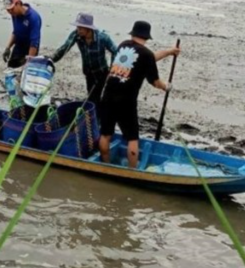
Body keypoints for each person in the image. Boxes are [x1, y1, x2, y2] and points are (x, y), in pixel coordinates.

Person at [98, 21, 181, 169]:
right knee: (132, 138)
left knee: (105, 134)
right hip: (126, 101)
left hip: (107, 96)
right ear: (147, 37)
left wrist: (169, 52)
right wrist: (166, 87)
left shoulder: (123, 46)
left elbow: (146, 59)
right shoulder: (146, 55)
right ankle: (132, 170)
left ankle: (105, 165)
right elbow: (155, 82)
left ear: (133, 34)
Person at [50, 12, 118, 115]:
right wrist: (51, 60)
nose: (78, 30)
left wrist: (112, 70)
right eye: (78, 27)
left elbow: (115, 52)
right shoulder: (76, 35)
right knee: (91, 95)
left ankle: (97, 118)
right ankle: (95, 115)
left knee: (96, 96)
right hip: (88, 72)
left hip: (101, 72)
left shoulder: (103, 38)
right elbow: (65, 48)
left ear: (88, 29)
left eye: (81, 28)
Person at [1, 0, 42, 68]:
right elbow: (16, 32)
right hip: (19, 46)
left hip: (30, 49)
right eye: (8, 10)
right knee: (11, 68)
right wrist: (8, 48)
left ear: (18, 3)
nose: (10, 12)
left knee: (25, 74)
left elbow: (34, 43)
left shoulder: (33, 18)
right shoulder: (14, 15)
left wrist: (29, 62)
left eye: (12, 9)